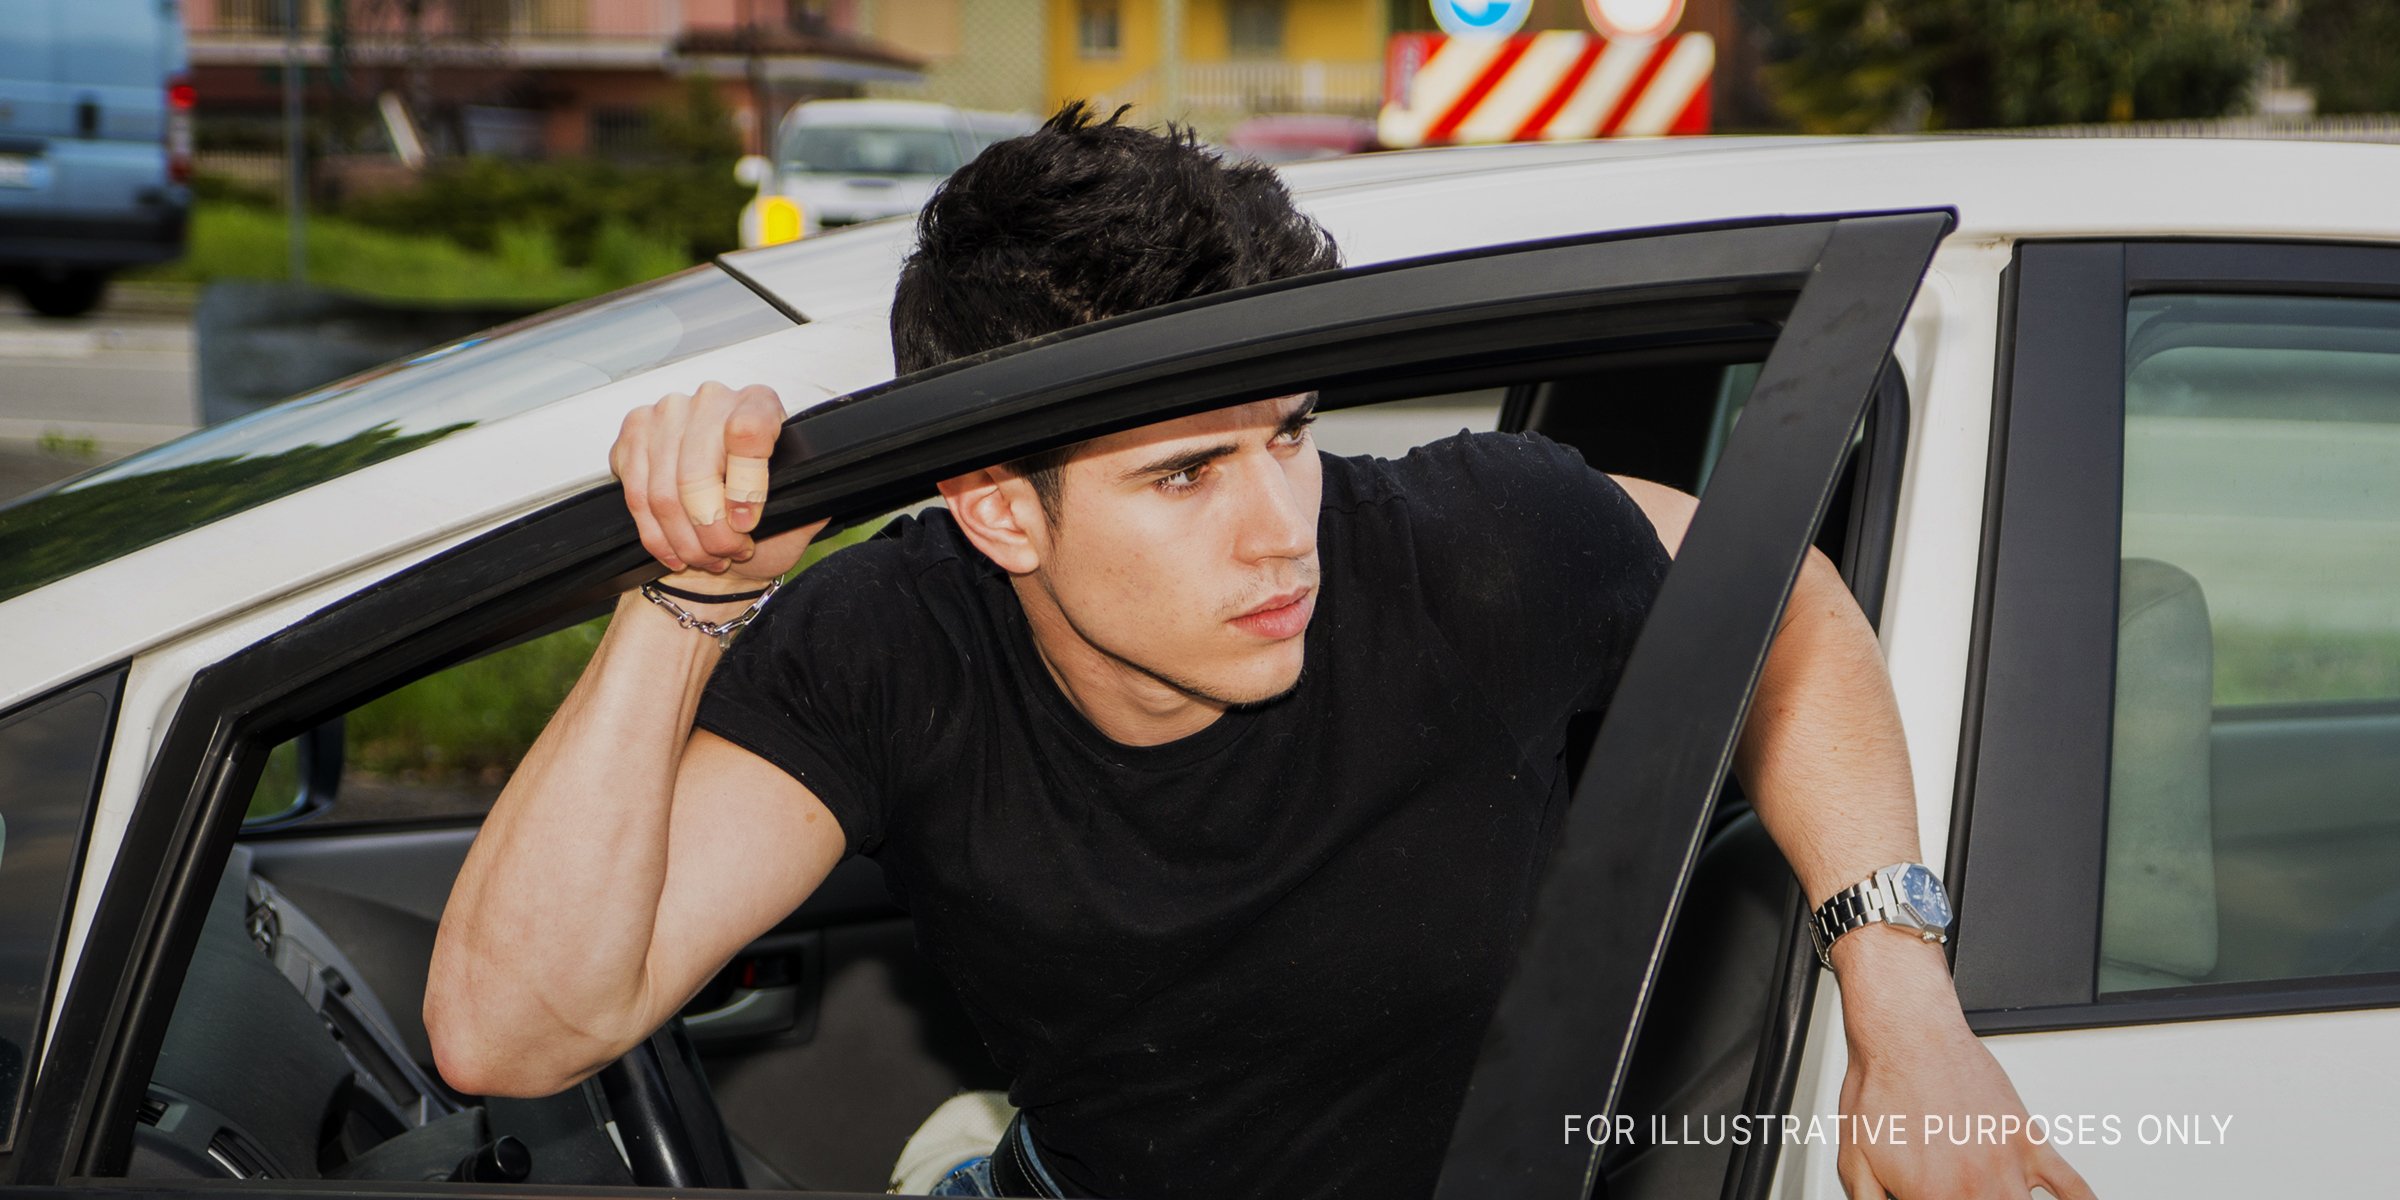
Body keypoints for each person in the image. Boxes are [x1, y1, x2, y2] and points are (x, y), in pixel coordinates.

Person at [425, 105, 2093, 1200]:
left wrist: (1902, 998)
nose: (1281, 524)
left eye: (1287, 433)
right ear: (1000, 512)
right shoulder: (897, 638)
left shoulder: (1471, 544)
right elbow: (515, 1034)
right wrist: (691, 595)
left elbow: (1778, 590)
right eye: (1184, 474)